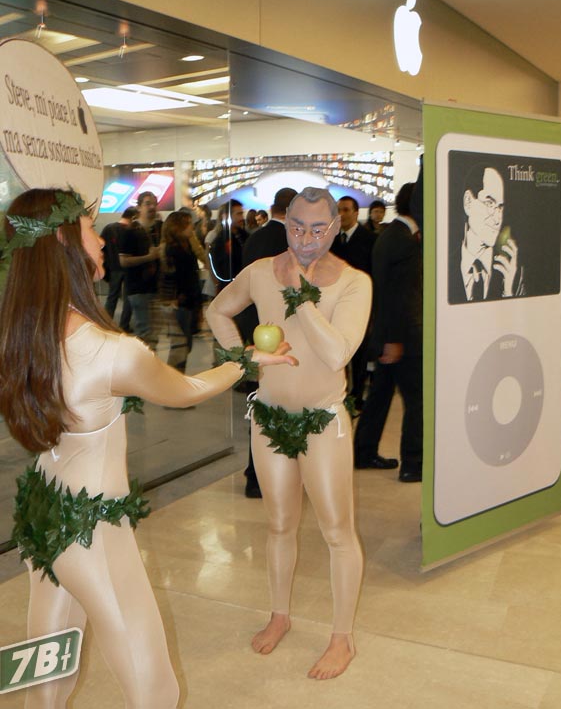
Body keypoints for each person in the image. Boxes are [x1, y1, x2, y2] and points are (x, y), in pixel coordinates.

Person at [0, 188, 296, 709]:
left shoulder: (24, 331)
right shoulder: (108, 350)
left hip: (43, 517)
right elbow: (186, 390)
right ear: (65, 242)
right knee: (154, 687)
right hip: (94, 533)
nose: (101, 240)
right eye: (89, 230)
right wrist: (246, 362)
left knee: (47, 675)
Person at [207, 186, 372, 680]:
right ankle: (279, 614)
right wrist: (244, 359)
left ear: (335, 228)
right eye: (297, 227)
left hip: (324, 419)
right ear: (285, 224)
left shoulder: (354, 282)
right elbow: (217, 310)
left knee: (337, 531)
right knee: (279, 524)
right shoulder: (260, 272)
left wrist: (300, 296)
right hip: (270, 417)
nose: (305, 238)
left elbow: (337, 353)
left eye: (318, 228)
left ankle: (342, 637)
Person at [354, 182, 423, 480]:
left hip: (389, 335)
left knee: (380, 396)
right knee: (417, 400)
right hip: (402, 338)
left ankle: (364, 452)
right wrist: (394, 340)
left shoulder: (392, 235)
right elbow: (398, 296)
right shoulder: (405, 242)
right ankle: (413, 464)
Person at [239, 187, 298, 498]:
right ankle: (264, 474)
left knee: (261, 405)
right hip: (278, 336)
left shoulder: (254, 238)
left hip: (255, 331)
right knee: (278, 404)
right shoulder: (287, 242)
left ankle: (256, 474)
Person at [449, 165, 524, 303]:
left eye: (500, 207)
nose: (497, 219)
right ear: (468, 202)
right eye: (489, 203)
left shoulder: (513, 273)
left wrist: (508, 293)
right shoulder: (444, 266)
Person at [330, 195, 375, 410]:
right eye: (338, 210)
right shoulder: (331, 240)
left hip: (360, 306)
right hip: (334, 306)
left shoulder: (370, 240)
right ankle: (340, 394)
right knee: (337, 351)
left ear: (356, 213)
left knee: (359, 354)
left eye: (346, 210)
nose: (342, 214)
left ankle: (357, 397)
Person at [160, 211, 203, 372]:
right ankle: (173, 378)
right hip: (179, 301)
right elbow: (171, 276)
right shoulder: (172, 249)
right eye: (188, 224)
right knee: (180, 345)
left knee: (185, 344)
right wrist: (173, 299)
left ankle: (176, 376)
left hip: (189, 299)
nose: (192, 227)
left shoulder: (186, 246)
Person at [119, 191, 162, 347]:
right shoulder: (130, 231)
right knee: (145, 332)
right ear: (138, 207)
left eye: (154, 203)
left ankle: (151, 360)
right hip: (138, 288)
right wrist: (149, 257)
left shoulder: (159, 229)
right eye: (147, 204)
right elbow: (123, 261)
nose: (152, 207)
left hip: (156, 287)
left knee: (155, 333)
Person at [100, 206, 137, 329]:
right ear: (133, 217)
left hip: (113, 268)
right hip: (129, 268)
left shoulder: (109, 228)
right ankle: (124, 325)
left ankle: (106, 324)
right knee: (128, 299)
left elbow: (102, 248)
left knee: (112, 297)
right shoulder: (132, 231)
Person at [208, 199, 248, 292]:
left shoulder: (245, 236)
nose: (242, 218)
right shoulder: (220, 241)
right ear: (226, 216)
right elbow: (222, 272)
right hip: (231, 289)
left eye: (242, 214)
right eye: (238, 214)